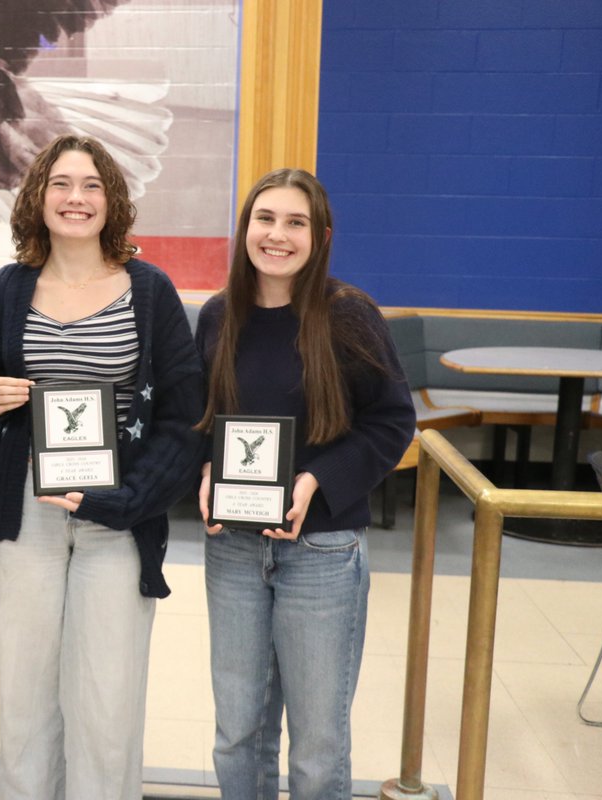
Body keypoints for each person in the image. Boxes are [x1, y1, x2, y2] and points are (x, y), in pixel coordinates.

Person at [0, 135, 204, 800]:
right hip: (27, 522)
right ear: (38, 198)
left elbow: (186, 420)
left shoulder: (150, 291)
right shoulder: (8, 289)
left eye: (92, 184)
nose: (76, 197)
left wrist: (127, 502)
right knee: (25, 703)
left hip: (117, 522)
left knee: (107, 710)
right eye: (62, 183)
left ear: (112, 200)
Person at [195, 168, 416, 799]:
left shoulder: (348, 317)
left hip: (322, 553)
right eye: (265, 219)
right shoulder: (218, 317)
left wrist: (317, 478)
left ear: (319, 236)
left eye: (295, 223)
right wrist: (207, 467)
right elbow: (197, 419)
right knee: (238, 734)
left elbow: (393, 420)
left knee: (317, 746)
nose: (277, 235)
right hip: (233, 549)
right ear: (246, 229)